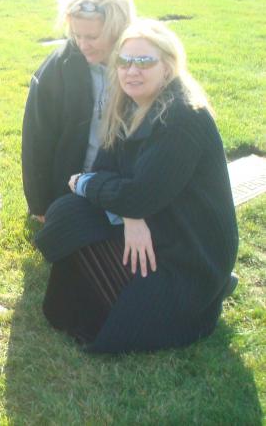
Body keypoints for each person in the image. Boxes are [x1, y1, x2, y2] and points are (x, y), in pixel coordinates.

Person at [36, 19, 238, 353]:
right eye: (125, 62)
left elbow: (136, 194)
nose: (132, 70)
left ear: (168, 65)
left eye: (144, 61)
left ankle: (197, 296)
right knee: (69, 212)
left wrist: (88, 184)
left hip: (189, 250)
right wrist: (131, 217)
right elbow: (109, 171)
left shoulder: (183, 117)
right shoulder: (131, 103)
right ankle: (113, 293)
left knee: (125, 323)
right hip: (155, 218)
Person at [21, 0, 136, 221]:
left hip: (124, 190)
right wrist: (41, 206)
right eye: (76, 35)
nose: (83, 45)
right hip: (73, 189)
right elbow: (37, 142)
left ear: (118, 29)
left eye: (93, 37)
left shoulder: (140, 68)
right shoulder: (56, 72)